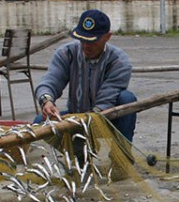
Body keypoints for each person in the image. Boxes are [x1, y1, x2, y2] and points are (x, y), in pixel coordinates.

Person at [34, 9, 137, 142]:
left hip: (106, 118)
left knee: (127, 98)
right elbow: (50, 81)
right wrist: (47, 102)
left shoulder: (119, 61)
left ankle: (122, 155)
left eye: (92, 41)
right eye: (82, 39)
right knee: (38, 122)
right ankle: (77, 155)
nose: (86, 45)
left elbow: (106, 100)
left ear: (107, 37)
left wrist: (85, 121)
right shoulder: (67, 53)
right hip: (75, 115)